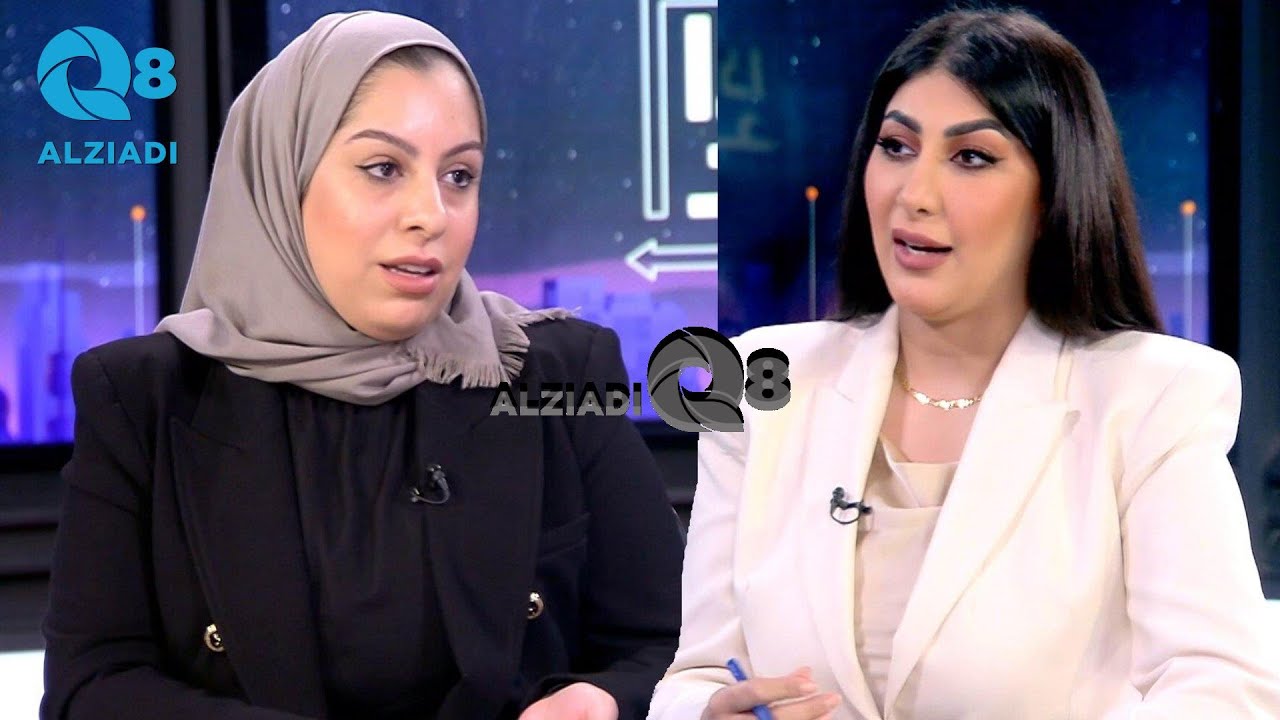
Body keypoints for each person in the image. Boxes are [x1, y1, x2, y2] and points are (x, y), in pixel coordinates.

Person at [41, 11, 683, 720]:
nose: (431, 215)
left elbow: (672, 647)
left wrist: (604, 699)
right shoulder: (144, 397)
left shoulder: (557, 372)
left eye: (459, 176)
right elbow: (91, 689)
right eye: (383, 169)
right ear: (285, 177)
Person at [650, 8, 1280, 720]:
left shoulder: (1148, 397)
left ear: (1053, 192)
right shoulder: (765, 386)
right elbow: (694, 678)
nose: (914, 195)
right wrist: (708, 713)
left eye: (971, 157)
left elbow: (1224, 691)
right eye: (895, 147)